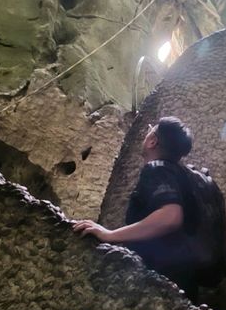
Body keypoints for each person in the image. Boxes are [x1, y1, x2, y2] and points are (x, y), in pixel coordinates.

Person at [73, 116, 202, 298]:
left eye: (150, 129)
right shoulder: (184, 176)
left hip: (161, 282)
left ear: (152, 141)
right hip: (183, 281)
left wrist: (110, 235)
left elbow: (170, 217)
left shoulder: (156, 169)